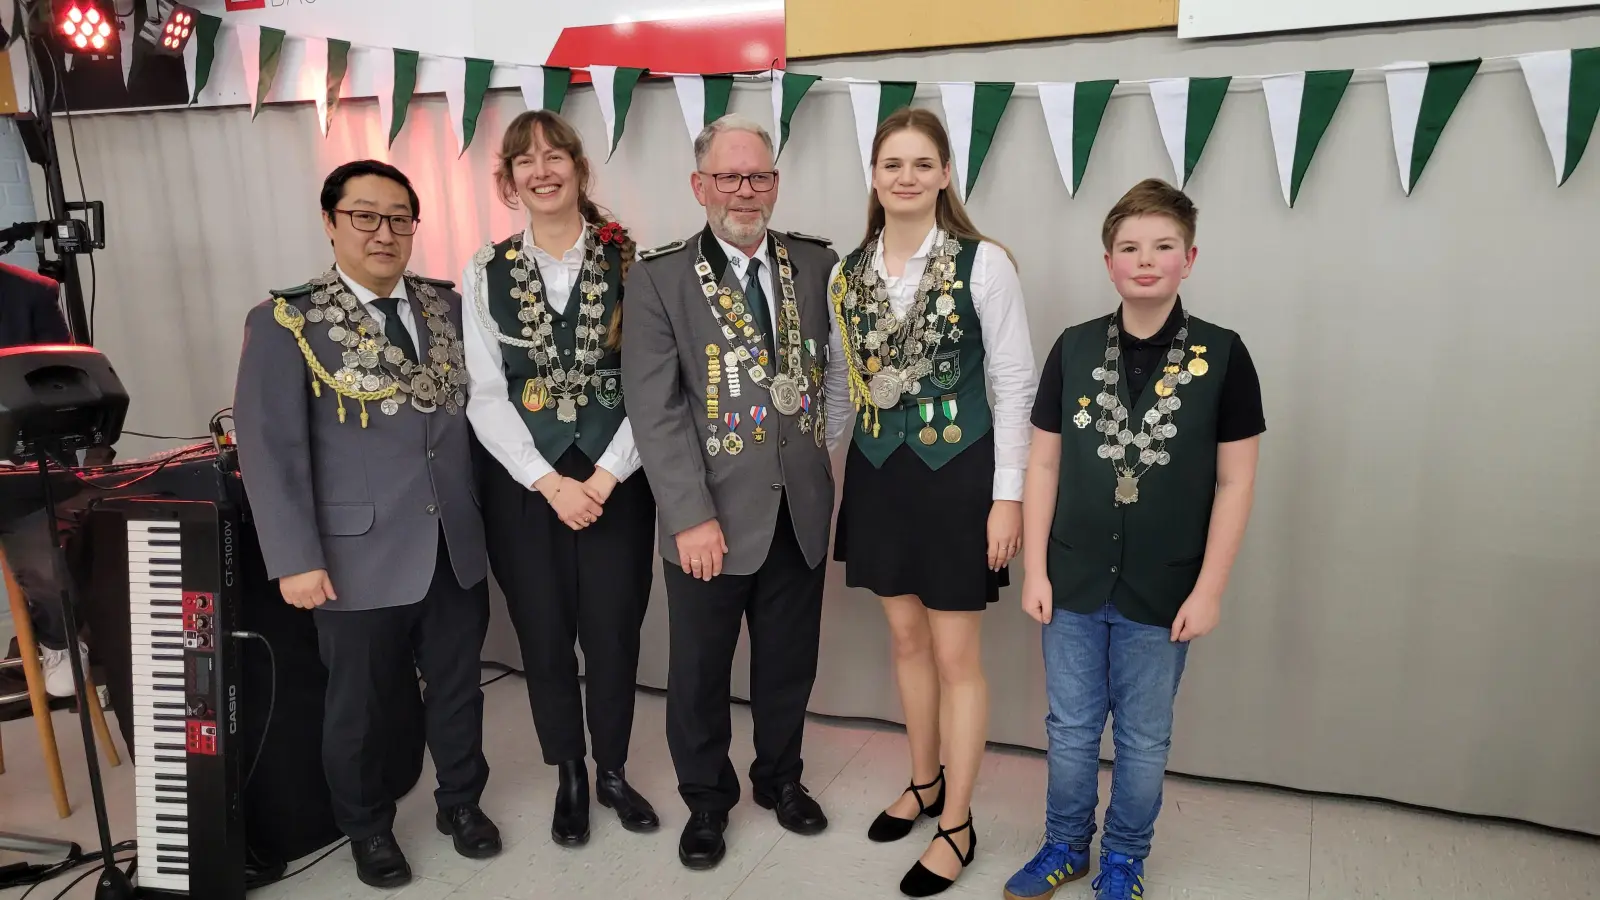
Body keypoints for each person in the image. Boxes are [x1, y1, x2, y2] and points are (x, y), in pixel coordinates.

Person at [233, 160, 501, 890]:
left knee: (458, 689)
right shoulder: (288, 319)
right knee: (360, 705)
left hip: (451, 544)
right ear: (330, 222)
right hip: (353, 556)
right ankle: (368, 828)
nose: (384, 233)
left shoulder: (445, 307)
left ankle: (461, 805)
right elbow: (269, 450)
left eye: (399, 218)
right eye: (365, 216)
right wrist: (293, 557)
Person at [1003, 178, 1264, 900]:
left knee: (1144, 740)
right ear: (1109, 261)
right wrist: (1035, 572)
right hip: (1074, 579)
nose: (1145, 260)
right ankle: (1064, 845)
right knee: (1071, 729)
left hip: (1166, 588)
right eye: (1129, 247)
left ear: (1189, 257)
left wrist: (1209, 590)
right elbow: (1045, 459)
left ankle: (1123, 857)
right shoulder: (1076, 347)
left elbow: (1237, 483)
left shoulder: (1224, 356)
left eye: (1163, 247)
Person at [622, 113, 851, 870]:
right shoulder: (658, 278)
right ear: (700, 186)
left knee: (789, 665)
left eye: (758, 176)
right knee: (699, 674)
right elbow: (654, 412)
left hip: (799, 511)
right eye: (729, 176)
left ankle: (780, 779)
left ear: (776, 185)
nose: (744, 191)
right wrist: (689, 516)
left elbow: (835, 384)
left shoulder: (819, 266)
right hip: (708, 521)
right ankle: (707, 800)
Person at [827, 107, 1036, 897]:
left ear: (946, 175)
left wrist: (1007, 500)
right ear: (875, 179)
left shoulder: (985, 264)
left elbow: (1013, 385)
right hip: (880, 473)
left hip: (959, 477)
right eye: (892, 165)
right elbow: (842, 387)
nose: (906, 177)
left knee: (956, 656)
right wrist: (822, 467)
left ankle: (958, 820)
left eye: (922, 164)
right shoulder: (849, 273)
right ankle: (920, 782)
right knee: (907, 642)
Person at [462, 110, 659, 846]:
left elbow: (652, 386)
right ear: (509, 180)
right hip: (526, 487)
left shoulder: (632, 264)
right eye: (525, 160)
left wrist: (604, 479)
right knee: (544, 637)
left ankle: (612, 767)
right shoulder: (484, 271)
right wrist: (548, 482)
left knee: (613, 634)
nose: (541, 170)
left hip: (617, 481)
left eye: (555, 156)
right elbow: (484, 394)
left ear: (579, 168)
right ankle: (569, 771)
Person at [0, 261, 92, 699]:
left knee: (44, 564)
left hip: (23, 476)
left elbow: (65, 393)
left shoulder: (30, 294)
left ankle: (60, 641)